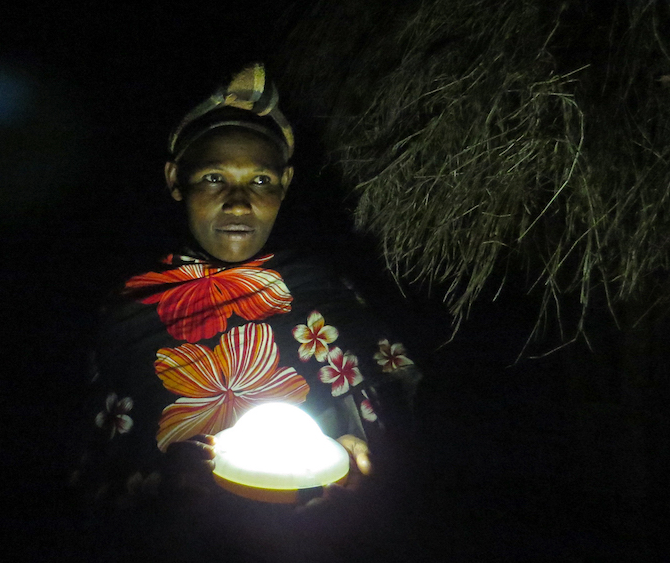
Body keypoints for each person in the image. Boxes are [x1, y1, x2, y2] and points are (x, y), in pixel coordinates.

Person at [71, 63, 420, 561]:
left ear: (285, 183)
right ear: (176, 179)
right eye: (214, 178)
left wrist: (355, 455)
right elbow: (103, 467)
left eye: (260, 180)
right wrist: (174, 485)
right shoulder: (130, 309)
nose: (239, 203)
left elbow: (397, 410)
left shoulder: (320, 287)